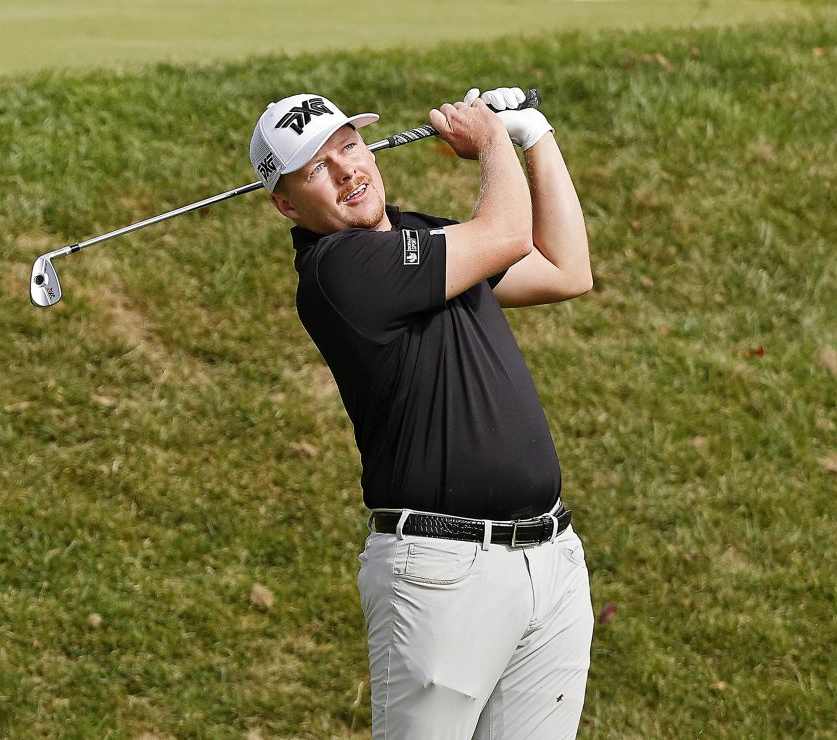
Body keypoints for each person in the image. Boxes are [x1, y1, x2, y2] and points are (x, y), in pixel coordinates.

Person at [249, 86, 594, 738]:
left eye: (349, 145)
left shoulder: (423, 236)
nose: (348, 168)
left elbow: (564, 269)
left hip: (548, 561)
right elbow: (506, 232)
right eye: (317, 167)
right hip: (441, 573)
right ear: (287, 204)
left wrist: (534, 135)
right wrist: (492, 141)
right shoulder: (338, 271)